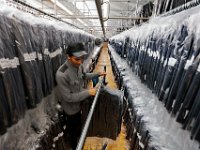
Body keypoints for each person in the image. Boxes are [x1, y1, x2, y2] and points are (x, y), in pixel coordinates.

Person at [56, 42, 106, 150]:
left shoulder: (79, 66)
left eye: (82, 58)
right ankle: (74, 146)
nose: (80, 62)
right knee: (72, 132)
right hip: (70, 110)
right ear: (68, 57)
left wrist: (98, 74)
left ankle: (79, 138)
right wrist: (88, 92)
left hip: (80, 105)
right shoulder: (62, 74)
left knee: (79, 126)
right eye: (77, 59)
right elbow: (68, 98)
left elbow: (84, 76)